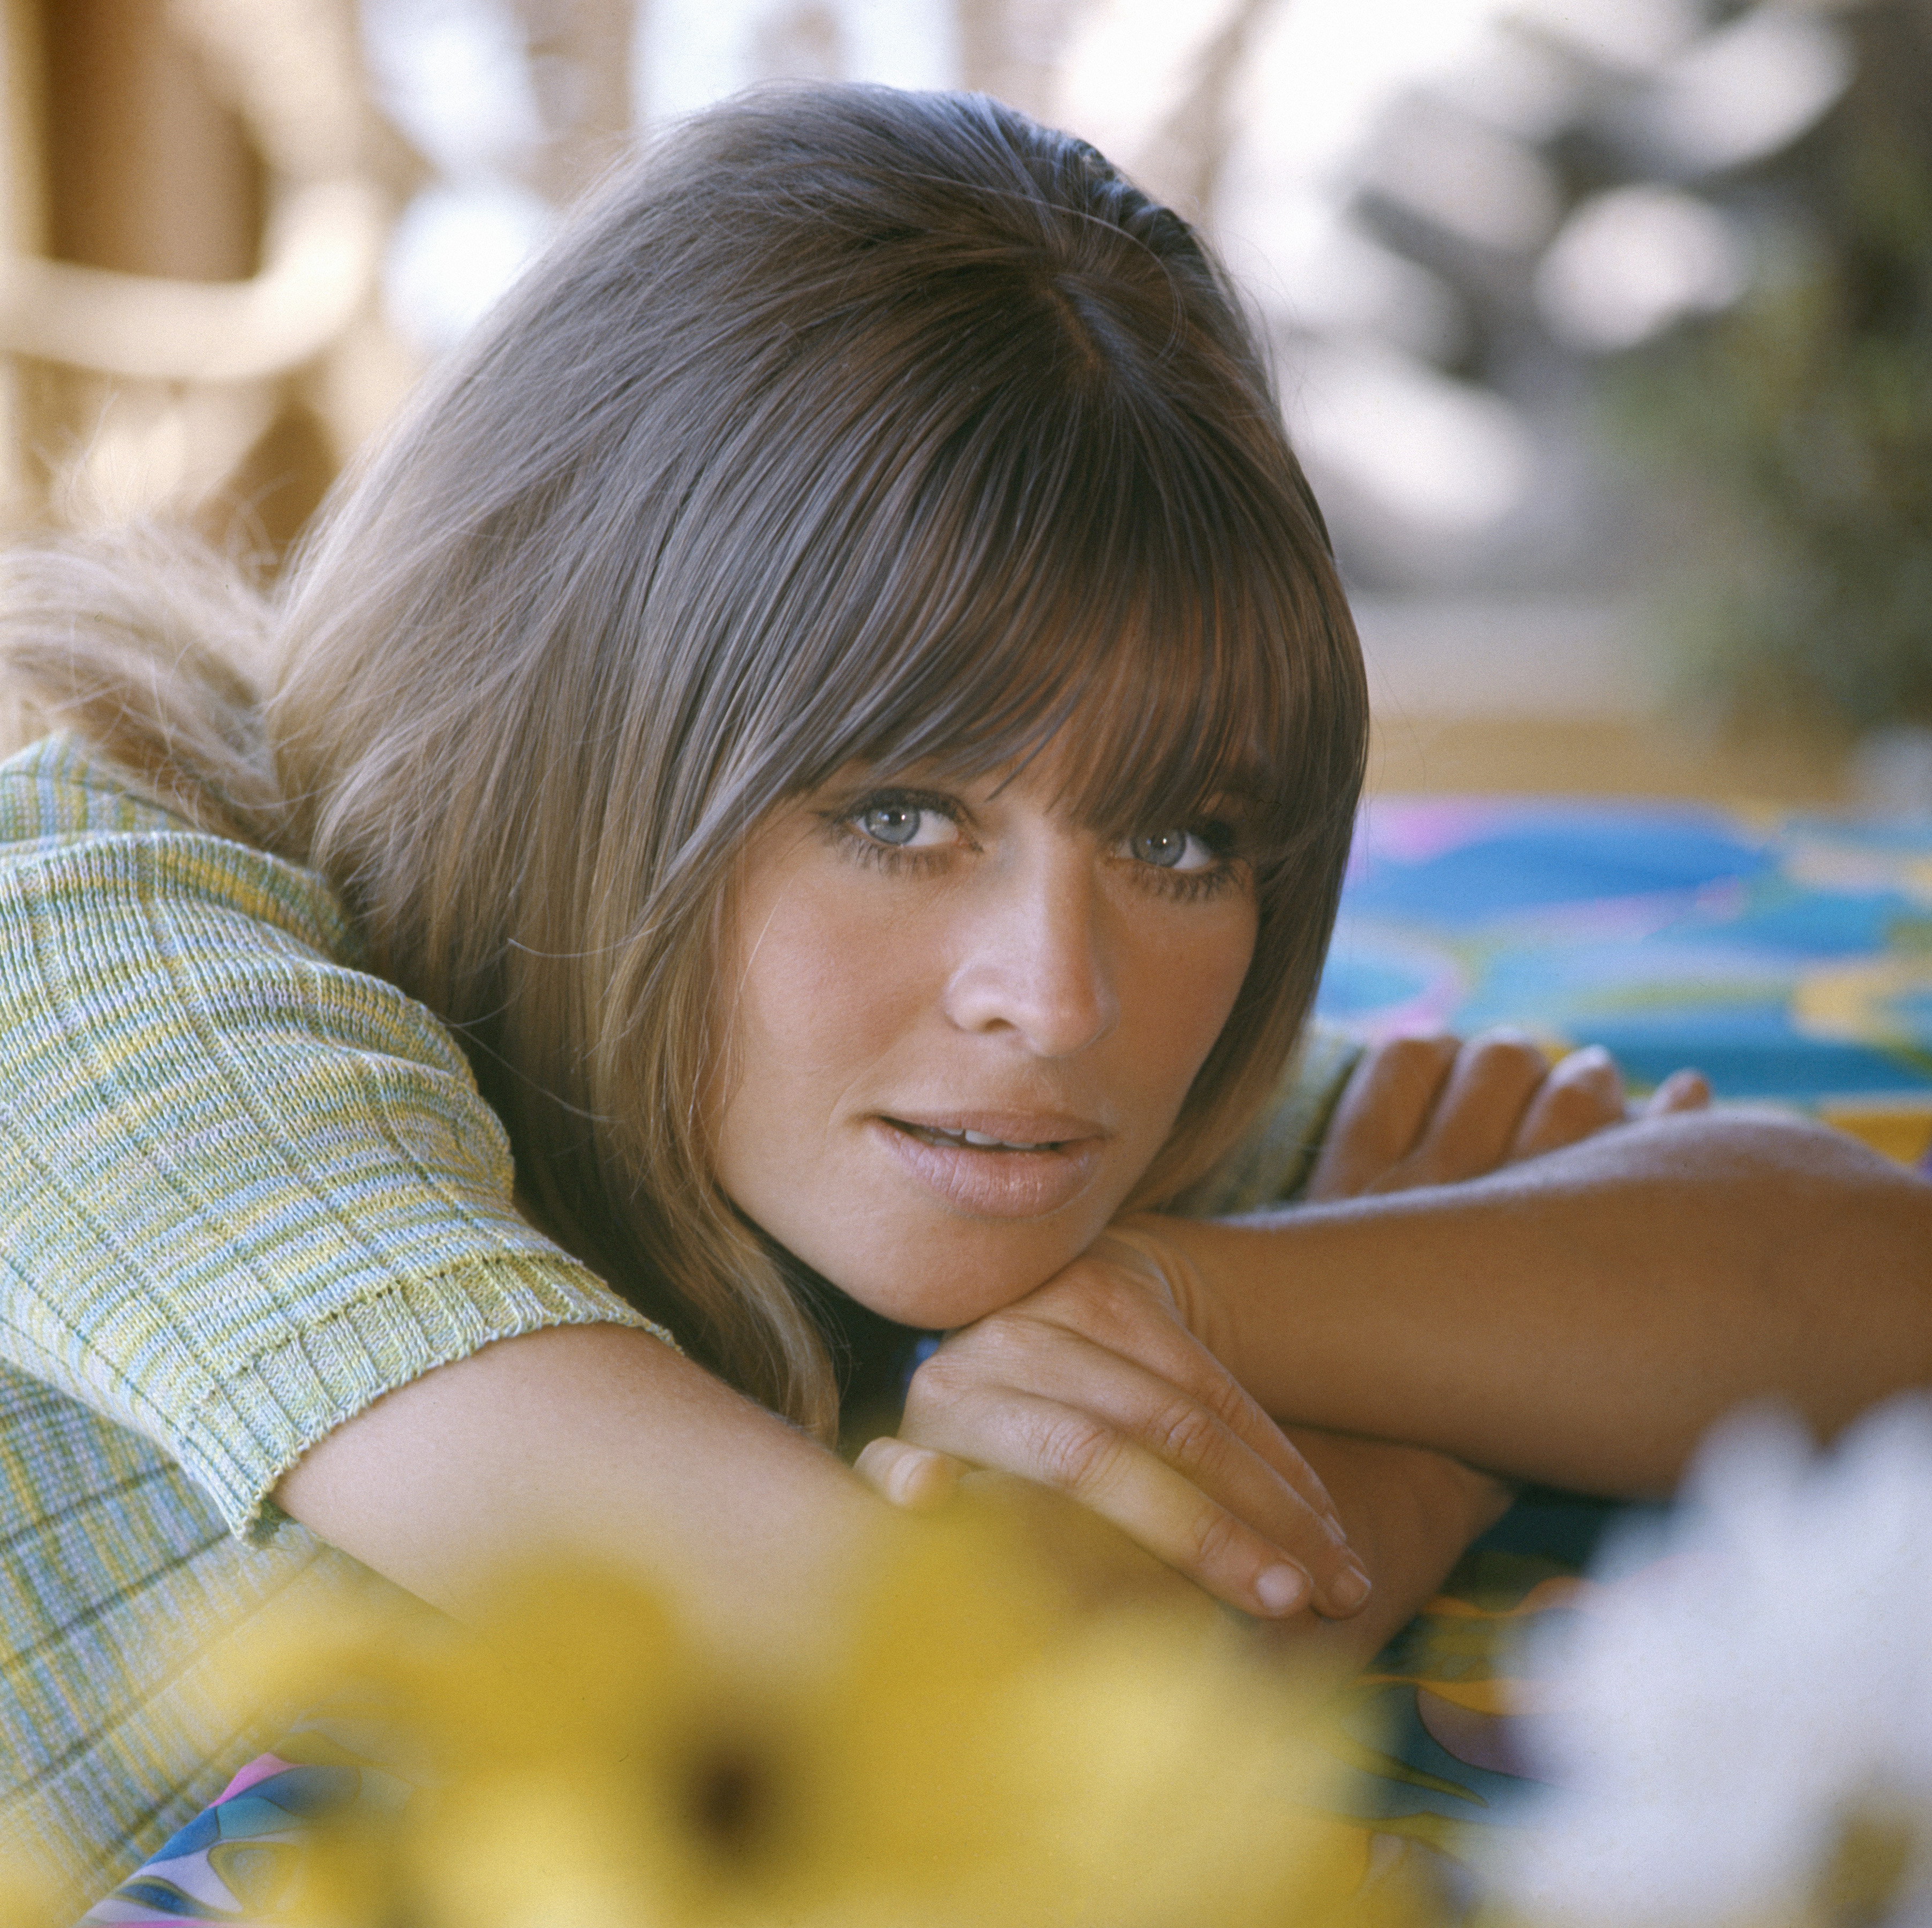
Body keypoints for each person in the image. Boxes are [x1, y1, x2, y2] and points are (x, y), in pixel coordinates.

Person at [3, 84, 1928, 1900]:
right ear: (574, 738)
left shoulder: (968, 1111)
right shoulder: (87, 962)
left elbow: (1860, 1280)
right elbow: (932, 1747)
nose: (1060, 997)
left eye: (1182, 836)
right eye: (903, 814)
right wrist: (1408, 1462)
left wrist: (1196, 1302)